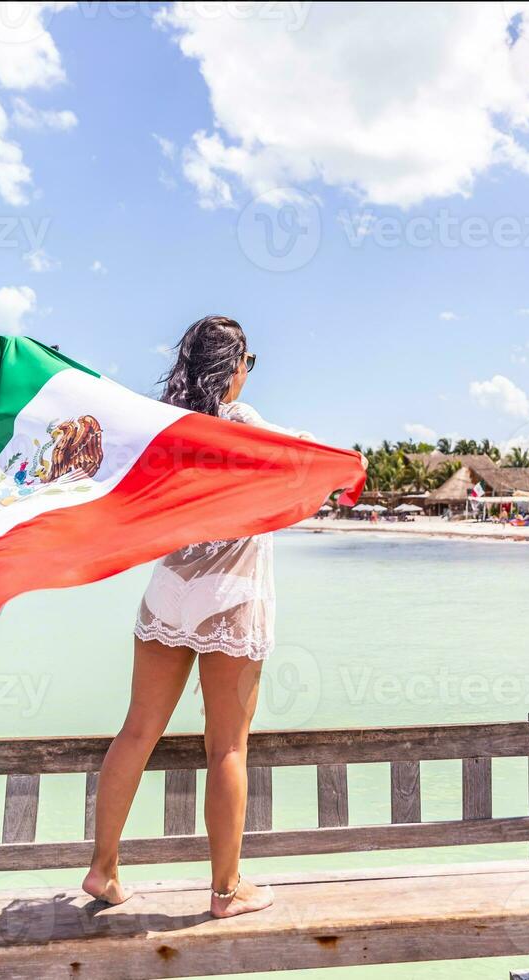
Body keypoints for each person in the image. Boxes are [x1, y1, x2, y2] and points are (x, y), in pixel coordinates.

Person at [82, 315, 329, 919]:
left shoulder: (171, 428)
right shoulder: (239, 422)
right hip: (232, 600)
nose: (248, 373)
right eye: (248, 361)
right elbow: (303, 459)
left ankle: (103, 868)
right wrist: (346, 466)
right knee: (226, 749)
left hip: (170, 590)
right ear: (234, 365)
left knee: (137, 731)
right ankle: (225, 890)